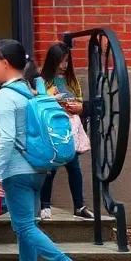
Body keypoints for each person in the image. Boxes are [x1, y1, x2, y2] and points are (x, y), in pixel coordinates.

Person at [0, 39, 88, 261]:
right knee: (27, 225)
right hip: (39, 168)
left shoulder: (6, 95)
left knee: (23, 226)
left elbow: (7, 139)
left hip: (17, 170)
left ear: (5, 62)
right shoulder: (32, 90)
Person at [38, 43, 92, 221]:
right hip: (53, 127)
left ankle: (79, 205)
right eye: (61, 61)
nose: (64, 65)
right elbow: (39, 103)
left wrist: (79, 107)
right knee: (51, 168)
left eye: (67, 60)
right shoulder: (42, 80)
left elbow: (79, 99)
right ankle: (45, 205)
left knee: (74, 167)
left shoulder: (71, 80)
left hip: (71, 126)